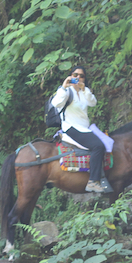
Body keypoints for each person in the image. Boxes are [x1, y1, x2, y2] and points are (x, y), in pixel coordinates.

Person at [51, 66, 113, 194]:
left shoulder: (85, 92)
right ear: (71, 76)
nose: (78, 77)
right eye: (75, 75)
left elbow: (93, 102)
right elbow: (55, 103)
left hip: (85, 128)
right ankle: (93, 181)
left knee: (108, 142)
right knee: (98, 146)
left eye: (81, 76)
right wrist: (63, 86)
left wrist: (84, 89)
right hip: (71, 128)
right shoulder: (66, 91)